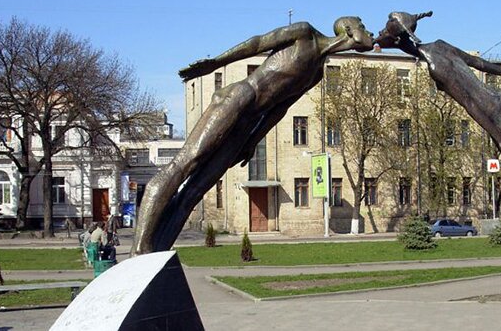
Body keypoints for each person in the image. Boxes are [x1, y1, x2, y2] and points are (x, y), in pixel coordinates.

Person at [132, 16, 374, 255]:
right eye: (364, 27)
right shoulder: (304, 32)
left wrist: (253, 140)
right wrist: (216, 63)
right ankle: (140, 248)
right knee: (183, 164)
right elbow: (257, 43)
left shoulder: (317, 73)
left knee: (196, 190)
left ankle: (156, 252)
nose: (370, 33)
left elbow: (280, 109)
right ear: (349, 30)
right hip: (238, 99)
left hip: (247, 123)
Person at [375, 11, 501, 263]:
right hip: (498, 101)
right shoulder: (440, 46)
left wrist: (497, 136)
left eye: (385, 31)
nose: (380, 34)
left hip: (494, 117)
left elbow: (470, 104)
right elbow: (478, 63)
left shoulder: (435, 66)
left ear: (399, 38)